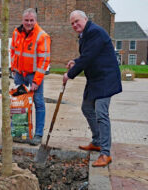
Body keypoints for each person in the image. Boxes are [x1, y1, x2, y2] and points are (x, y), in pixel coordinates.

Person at [63, 10, 122, 167]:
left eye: (77, 21)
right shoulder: (86, 34)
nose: (75, 25)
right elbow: (89, 55)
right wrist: (76, 61)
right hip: (96, 79)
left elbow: (88, 57)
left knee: (101, 113)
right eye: (72, 23)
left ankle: (105, 153)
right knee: (87, 108)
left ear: (85, 19)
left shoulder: (95, 32)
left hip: (106, 79)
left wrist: (69, 74)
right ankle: (97, 141)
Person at [10, 8, 51, 145]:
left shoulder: (42, 36)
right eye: (26, 20)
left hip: (33, 75)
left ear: (35, 20)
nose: (28, 23)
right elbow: (13, 51)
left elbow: (44, 60)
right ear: (22, 20)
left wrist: (36, 80)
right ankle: (20, 133)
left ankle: (38, 134)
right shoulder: (16, 32)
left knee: (38, 103)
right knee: (19, 104)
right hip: (20, 75)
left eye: (31, 20)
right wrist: (13, 68)